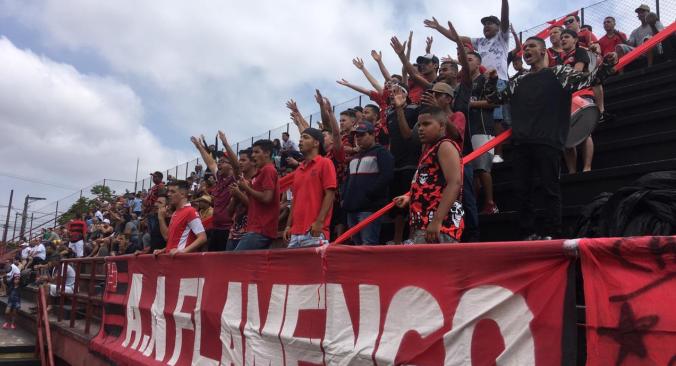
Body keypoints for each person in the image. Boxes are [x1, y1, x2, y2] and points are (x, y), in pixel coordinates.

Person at [485, 36, 617, 240]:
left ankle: (553, 233)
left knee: (550, 190)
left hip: (548, 142)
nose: (526, 50)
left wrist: (606, 64)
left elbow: (590, 80)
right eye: (524, 47)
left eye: (532, 46)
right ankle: (526, 233)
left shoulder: (560, 73)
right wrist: (492, 81)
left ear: (543, 51)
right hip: (521, 143)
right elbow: (494, 98)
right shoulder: (517, 80)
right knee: (521, 192)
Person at [394, 106, 464, 244]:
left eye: (426, 124)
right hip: (424, 226)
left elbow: (454, 183)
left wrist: (437, 221)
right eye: (419, 125)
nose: (420, 128)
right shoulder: (430, 150)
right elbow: (431, 183)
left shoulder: (445, 145)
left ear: (442, 126)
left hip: (439, 228)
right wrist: (409, 196)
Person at [283, 128, 337, 248]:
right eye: (301, 137)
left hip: (314, 232)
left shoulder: (325, 163)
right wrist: (288, 225)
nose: (301, 140)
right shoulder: (299, 170)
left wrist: (319, 222)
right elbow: (294, 200)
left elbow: (330, 194)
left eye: (305, 137)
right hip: (295, 233)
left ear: (316, 143)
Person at [342, 121, 394, 244]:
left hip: (369, 209)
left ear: (372, 135)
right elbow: (347, 180)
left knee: (368, 244)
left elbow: (387, 176)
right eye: (356, 135)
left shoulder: (381, 152)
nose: (358, 138)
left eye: (361, 135)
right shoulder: (355, 157)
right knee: (357, 244)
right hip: (351, 208)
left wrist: (369, 195)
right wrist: (345, 198)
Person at [386, 82, 421, 243]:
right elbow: (392, 139)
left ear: (406, 94)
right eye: (391, 92)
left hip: (411, 162)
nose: (392, 94)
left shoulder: (414, 109)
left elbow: (408, 135)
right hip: (395, 164)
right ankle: (397, 239)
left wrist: (400, 108)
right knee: (397, 205)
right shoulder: (389, 114)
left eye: (397, 91)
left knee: (412, 202)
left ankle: (413, 237)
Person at [192, 133, 237, 251]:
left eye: (222, 161)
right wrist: (200, 147)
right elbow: (210, 162)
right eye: (219, 161)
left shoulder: (236, 178)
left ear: (231, 165)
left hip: (229, 229)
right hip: (216, 227)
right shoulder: (220, 178)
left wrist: (225, 144)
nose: (219, 164)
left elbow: (236, 165)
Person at [560, 29, 595, 174]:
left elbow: (577, 72)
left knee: (585, 132)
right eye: (561, 37)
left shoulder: (579, 52)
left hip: (582, 95)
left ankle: (587, 167)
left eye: (566, 37)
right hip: (566, 99)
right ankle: (572, 171)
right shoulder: (561, 59)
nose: (563, 39)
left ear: (575, 40)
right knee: (567, 136)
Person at [235, 140, 280, 250]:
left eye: (256, 152)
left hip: (261, 229)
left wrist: (247, 188)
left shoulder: (268, 170)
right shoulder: (260, 173)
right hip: (256, 229)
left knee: (235, 261)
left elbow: (267, 198)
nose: (253, 155)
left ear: (267, 153)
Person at [154, 180, 208, 255]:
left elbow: (202, 238)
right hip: (173, 259)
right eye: (168, 191)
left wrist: (182, 251)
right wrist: (164, 250)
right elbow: (168, 238)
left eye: (172, 192)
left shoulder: (190, 211)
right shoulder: (175, 213)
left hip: (183, 262)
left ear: (182, 194)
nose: (168, 194)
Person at [225, 149, 257, 250]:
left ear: (252, 162)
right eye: (239, 160)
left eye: (243, 160)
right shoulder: (238, 183)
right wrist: (235, 196)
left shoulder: (257, 181)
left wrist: (239, 194)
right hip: (233, 234)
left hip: (250, 234)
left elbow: (255, 208)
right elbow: (229, 213)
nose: (240, 162)